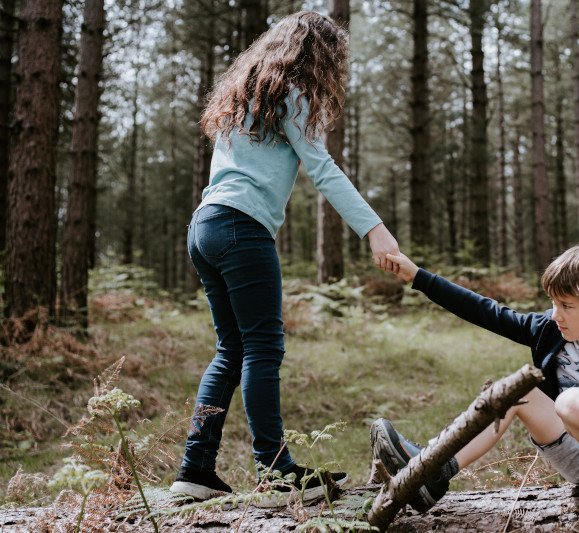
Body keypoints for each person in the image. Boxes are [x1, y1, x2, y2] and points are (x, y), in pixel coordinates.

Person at [169, 11, 399, 507]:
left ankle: (195, 469)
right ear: (315, 56)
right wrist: (376, 231)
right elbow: (324, 169)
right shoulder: (293, 94)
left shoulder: (244, 97)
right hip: (239, 229)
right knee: (262, 348)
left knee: (232, 349)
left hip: (204, 226)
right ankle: (276, 474)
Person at [371, 241, 579, 533]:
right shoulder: (550, 329)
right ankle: (435, 470)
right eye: (552, 303)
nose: (555, 314)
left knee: (572, 402)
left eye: (566, 306)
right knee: (516, 390)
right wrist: (417, 276)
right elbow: (484, 310)